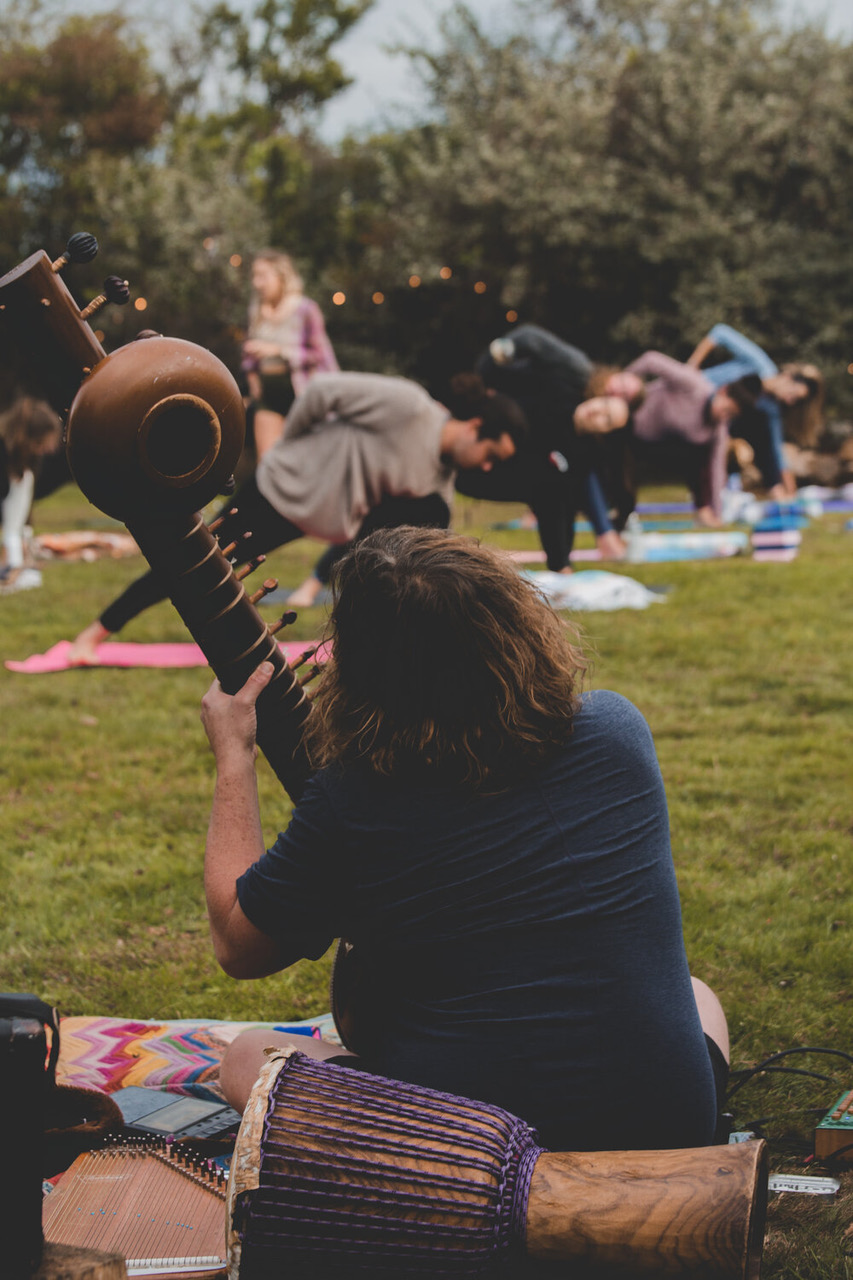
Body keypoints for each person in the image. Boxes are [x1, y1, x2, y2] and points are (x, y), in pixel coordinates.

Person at [201, 526, 729, 1154]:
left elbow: (238, 945)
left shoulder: (355, 797)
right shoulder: (618, 729)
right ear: (519, 624)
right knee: (699, 996)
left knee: (245, 1056)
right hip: (669, 1132)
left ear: (363, 667)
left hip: (475, 1156)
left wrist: (234, 754)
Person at [67, 372, 527, 664]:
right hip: (283, 489)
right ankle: (93, 634)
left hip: (328, 518)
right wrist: (287, 447)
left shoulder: (439, 486)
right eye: (490, 454)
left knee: (427, 532)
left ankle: (365, 650)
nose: (486, 467)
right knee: (192, 566)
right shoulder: (409, 406)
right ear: (473, 427)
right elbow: (325, 391)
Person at [471, 325, 627, 566]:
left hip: (506, 473)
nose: (598, 413)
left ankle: (561, 564)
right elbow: (513, 363)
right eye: (604, 405)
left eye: (606, 420)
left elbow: (566, 507)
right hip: (481, 435)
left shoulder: (581, 454)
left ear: (604, 432)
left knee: (555, 491)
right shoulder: (558, 386)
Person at [573, 354, 761, 525]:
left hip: (652, 447)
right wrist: (619, 389)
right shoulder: (694, 385)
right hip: (629, 422)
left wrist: (717, 510)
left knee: (701, 455)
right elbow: (651, 360)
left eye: (731, 416)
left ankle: (701, 511)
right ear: (723, 391)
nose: (724, 417)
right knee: (612, 472)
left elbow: (716, 468)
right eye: (727, 409)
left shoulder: (717, 429)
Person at [687, 324, 824, 495]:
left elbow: (775, 449)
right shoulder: (759, 363)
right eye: (793, 393)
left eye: (795, 401)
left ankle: (767, 491)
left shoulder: (770, 408)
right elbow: (720, 332)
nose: (790, 401)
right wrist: (692, 366)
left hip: (708, 422)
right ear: (787, 378)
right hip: (693, 395)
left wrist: (790, 491)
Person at [242, 250, 338, 459]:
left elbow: (320, 355)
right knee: (268, 466)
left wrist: (279, 351)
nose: (257, 283)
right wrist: (252, 379)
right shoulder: (257, 310)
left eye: (263, 276)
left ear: (281, 276)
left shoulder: (306, 309)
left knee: (306, 464)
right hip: (268, 397)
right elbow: (249, 355)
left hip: (302, 396)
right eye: (255, 276)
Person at [0, 396, 62, 590]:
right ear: (28, 438)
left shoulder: (26, 468)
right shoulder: (4, 457)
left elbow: (19, 515)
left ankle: (15, 563)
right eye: (42, 444)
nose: (48, 450)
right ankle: (12, 564)